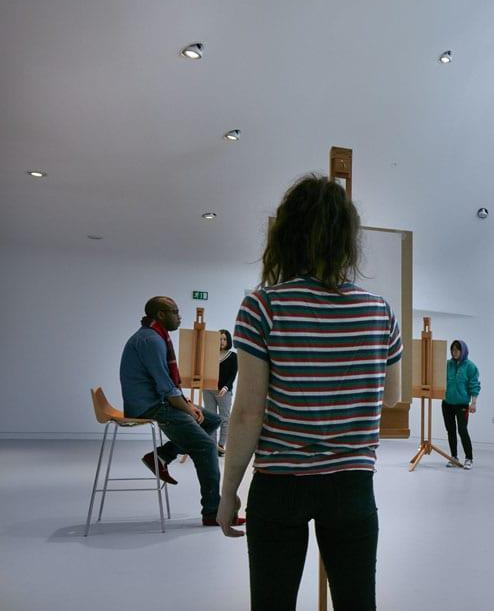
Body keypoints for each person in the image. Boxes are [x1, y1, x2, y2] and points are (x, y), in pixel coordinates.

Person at [218, 174, 402, 611]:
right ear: (346, 239)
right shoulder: (380, 311)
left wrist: (227, 492)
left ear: (287, 234)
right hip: (352, 484)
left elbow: (247, 413)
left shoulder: (262, 306)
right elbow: (392, 396)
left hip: (280, 485)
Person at [119, 296, 243, 527]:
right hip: (150, 405)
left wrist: (188, 404)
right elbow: (166, 388)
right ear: (161, 314)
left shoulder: (154, 336)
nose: (179, 316)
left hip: (157, 400)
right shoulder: (151, 340)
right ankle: (213, 512)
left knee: (212, 420)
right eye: (175, 312)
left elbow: (167, 385)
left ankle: (162, 455)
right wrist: (187, 408)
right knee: (206, 446)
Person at [443, 340, 480, 470]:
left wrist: (473, 403)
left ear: (463, 351)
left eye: (457, 350)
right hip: (447, 403)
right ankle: (454, 457)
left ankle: (469, 458)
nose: (454, 352)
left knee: (462, 430)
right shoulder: (448, 364)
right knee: (450, 431)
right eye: (452, 350)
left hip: (462, 405)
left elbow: (474, 385)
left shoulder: (470, 366)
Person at [202, 329, 237, 456]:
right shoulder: (210, 355)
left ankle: (220, 446)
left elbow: (232, 375)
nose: (222, 341)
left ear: (228, 341)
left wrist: (226, 388)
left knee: (224, 419)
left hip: (224, 392)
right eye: (219, 339)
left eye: (224, 339)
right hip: (208, 390)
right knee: (211, 418)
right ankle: (212, 446)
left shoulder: (233, 356)